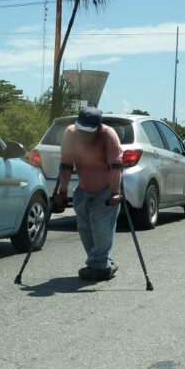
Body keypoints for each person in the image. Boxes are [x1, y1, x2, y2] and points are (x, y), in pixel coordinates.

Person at [52, 107, 123, 281]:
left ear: (98, 128)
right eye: (81, 130)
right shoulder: (70, 133)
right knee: (85, 229)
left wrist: (115, 192)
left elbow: (115, 166)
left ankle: (100, 265)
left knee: (101, 228)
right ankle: (101, 262)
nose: (84, 134)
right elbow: (66, 165)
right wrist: (62, 191)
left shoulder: (108, 135)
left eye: (88, 131)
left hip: (106, 189)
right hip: (83, 189)